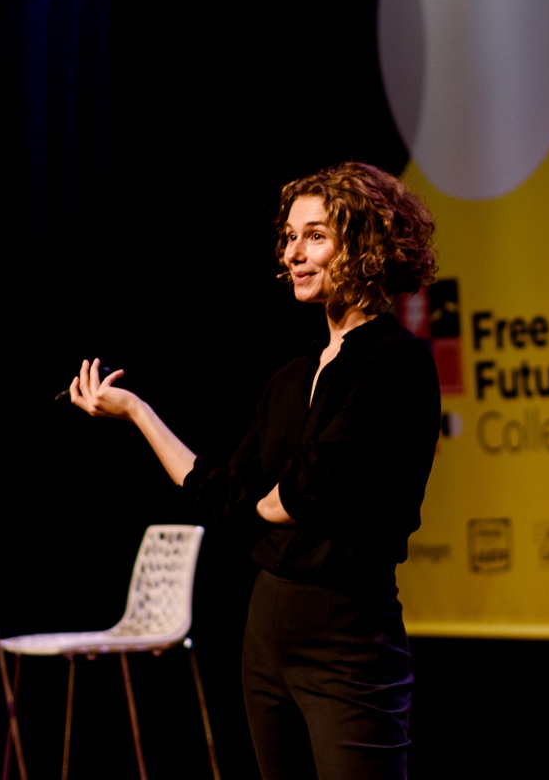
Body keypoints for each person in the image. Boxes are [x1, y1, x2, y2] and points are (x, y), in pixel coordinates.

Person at [68, 161, 441, 780]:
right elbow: (221, 497)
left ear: (367, 246)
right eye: (290, 237)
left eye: (316, 236)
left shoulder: (394, 364)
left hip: (346, 632)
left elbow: (303, 494)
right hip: (266, 629)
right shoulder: (289, 380)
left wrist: (261, 503)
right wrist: (136, 412)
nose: (294, 253)